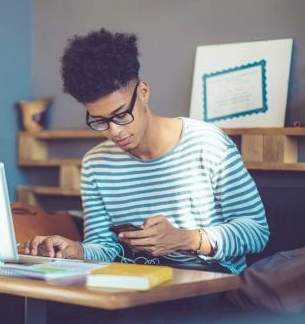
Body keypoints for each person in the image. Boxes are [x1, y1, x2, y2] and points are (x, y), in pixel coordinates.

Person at [23, 28, 269, 274]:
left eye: (121, 115)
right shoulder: (96, 163)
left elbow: (257, 231)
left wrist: (187, 239)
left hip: (209, 281)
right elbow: (106, 248)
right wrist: (78, 251)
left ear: (143, 92)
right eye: (100, 121)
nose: (114, 131)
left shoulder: (207, 143)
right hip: (136, 281)